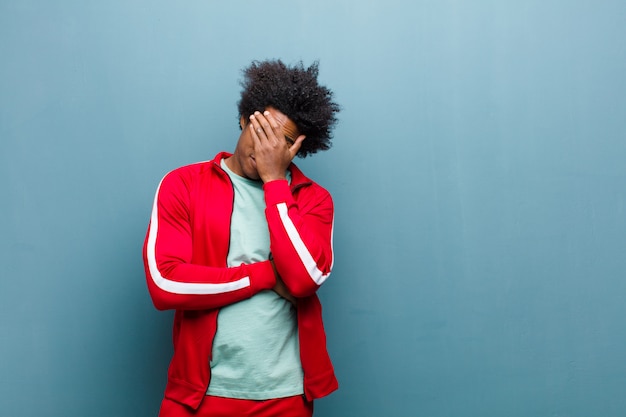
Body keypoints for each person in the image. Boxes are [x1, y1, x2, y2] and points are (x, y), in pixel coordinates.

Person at [143, 59, 340, 417]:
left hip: (285, 398)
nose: (266, 148)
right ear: (243, 118)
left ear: (296, 148)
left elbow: (303, 279)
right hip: (198, 397)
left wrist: (276, 182)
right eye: (260, 130)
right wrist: (265, 275)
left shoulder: (313, 199)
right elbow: (165, 283)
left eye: (281, 142)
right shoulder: (184, 185)